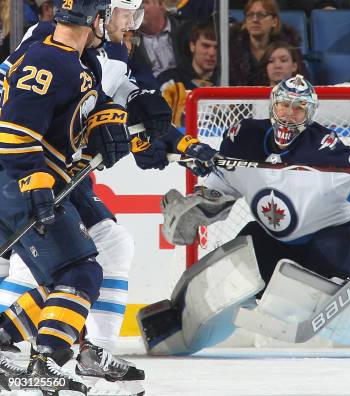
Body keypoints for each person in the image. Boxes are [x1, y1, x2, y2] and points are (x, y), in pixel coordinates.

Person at [0, 0, 217, 390]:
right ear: (101, 13)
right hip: (25, 167)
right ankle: (19, 347)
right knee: (53, 265)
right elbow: (20, 113)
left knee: (105, 250)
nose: (130, 23)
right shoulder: (50, 43)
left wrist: (179, 141)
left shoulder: (107, 52)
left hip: (56, 167)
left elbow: (128, 107)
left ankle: (86, 349)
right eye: (123, 12)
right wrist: (31, 175)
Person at [154, 75, 350, 357]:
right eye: (284, 105)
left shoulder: (325, 150)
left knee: (299, 288)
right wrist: (199, 210)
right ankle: (179, 323)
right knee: (237, 260)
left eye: (299, 108)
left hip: (336, 241)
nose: (289, 114)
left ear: (310, 114)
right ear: (273, 105)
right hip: (277, 242)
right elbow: (223, 190)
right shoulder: (243, 139)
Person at [0, 0, 129, 393]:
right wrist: (35, 187)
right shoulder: (49, 60)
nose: (109, 23)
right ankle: (47, 358)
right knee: (82, 272)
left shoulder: (77, 60)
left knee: (57, 280)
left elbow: (85, 111)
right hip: (18, 182)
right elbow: (14, 132)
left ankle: (5, 339)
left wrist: (112, 122)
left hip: (26, 182)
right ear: (93, 19)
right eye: (105, 15)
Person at [229, 0, 308, 86]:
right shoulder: (232, 48)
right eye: (250, 15)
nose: (255, 20)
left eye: (261, 15)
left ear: (274, 21)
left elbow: (301, 80)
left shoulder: (288, 47)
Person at [158, 22, 219, 126]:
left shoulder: (229, 80)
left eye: (216, 47)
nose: (212, 53)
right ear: (192, 46)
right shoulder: (170, 79)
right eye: (206, 46)